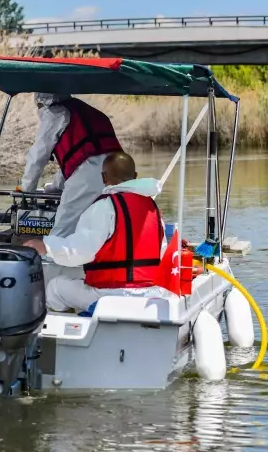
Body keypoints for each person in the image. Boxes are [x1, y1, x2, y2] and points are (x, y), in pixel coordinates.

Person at [23, 151, 169, 313]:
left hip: (108, 295)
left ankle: (67, 329)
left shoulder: (104, 207)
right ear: (135, 176)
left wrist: (46, 246)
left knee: (55, 287)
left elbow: (81, 251)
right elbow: (162, 252)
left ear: (104, 178)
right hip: (150, 295)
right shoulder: (153, 209)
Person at [19, 92, 124, 238]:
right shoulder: (86, 111)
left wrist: (26, 190)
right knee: (110, 226)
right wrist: (56, 187)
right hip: (121, 171)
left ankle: (52, 260)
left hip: (90, 175)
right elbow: (77, 155)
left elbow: (38, 156)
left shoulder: (55, 113)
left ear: (42, 103)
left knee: (63, 231)